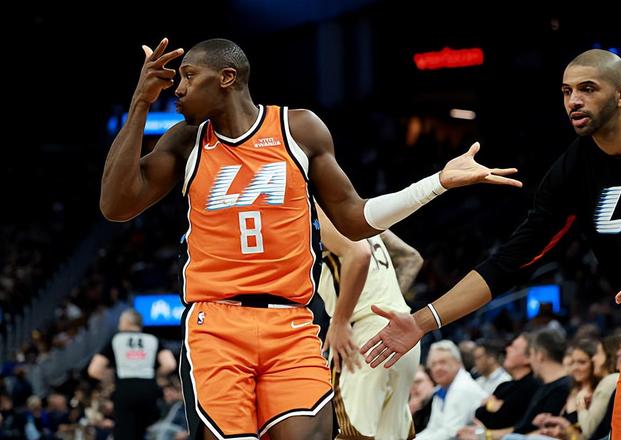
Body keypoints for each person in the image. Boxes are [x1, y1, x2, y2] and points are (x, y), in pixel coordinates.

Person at [100, 37, 521, 440]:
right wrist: (140, 102)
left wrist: (437, 182)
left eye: (189, 76)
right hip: (216, 324)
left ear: (227, 77)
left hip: (292, 324)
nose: (178, 88)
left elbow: (356, 220)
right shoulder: (186, 140)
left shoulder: (298, 129)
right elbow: (116, 205)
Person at [360, 48, 621, 439]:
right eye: (566, 91)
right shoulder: (571, 172)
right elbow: (510, 262)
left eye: (588, 89)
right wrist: (420, 322)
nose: (574, 100)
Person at [316, 205, 423, 439]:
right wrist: (383, 307)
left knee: (350, 433)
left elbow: (359, 255)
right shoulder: (361, 214)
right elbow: (411, 258)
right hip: (403, 326)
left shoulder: (315, 210)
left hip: (361, 331)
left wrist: (341, 320)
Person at [88, 309, 178, 440]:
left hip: (125, 389)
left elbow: (94, 369)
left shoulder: (116, 339)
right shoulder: (152, 339)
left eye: (120, 321)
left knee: (124, 434)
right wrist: (155, 376)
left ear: (127, 322)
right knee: (145, 433)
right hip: (148, 390)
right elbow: (170, 364)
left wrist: (112, 381)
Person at [415, 340, 487, 440]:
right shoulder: (441, 389)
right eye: (433, 364)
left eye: (443, 362)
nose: (437, 368)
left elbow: (450, 434)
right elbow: (433, 429)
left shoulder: (462, 388)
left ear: (458, 363)